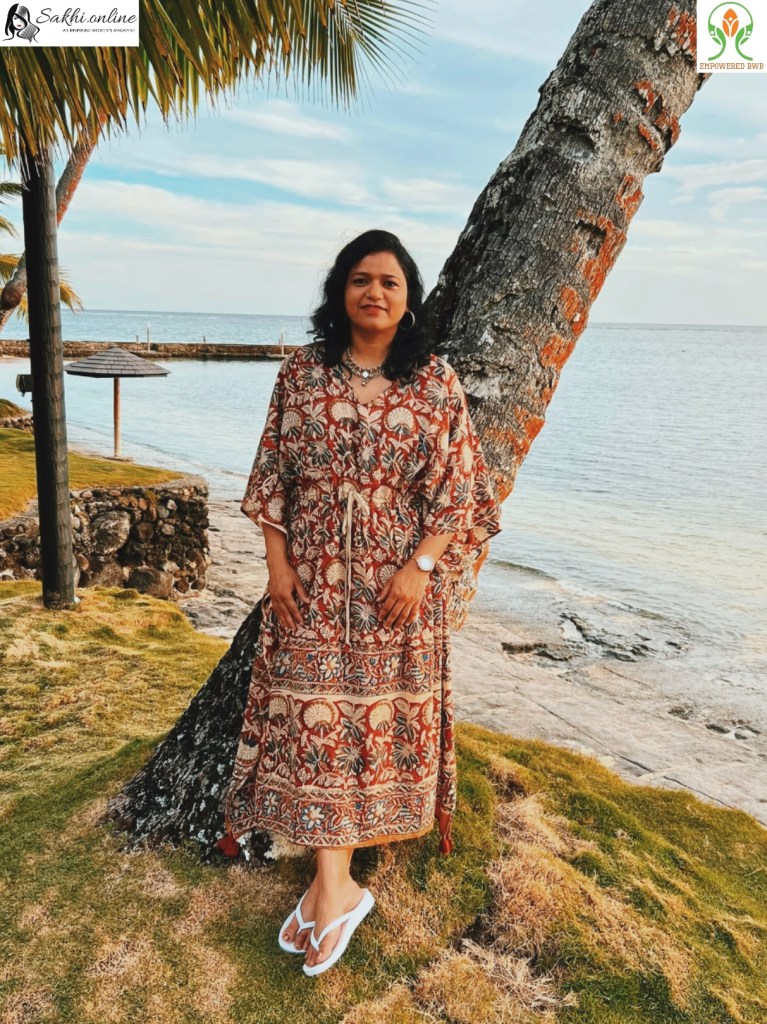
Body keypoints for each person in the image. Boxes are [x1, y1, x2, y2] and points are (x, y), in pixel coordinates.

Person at [219, 229, 502, 975]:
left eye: (389, 282)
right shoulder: (301, 374)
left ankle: (331, 889)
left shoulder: (435, 381)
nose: (373, 292)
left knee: (366, 729)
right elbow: (273, 473)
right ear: (339, 291)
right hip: (310, 585)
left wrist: (420, 568)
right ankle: (334, 888)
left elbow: (461, 492)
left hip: (394, 595)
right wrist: (277, 566)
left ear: (409, 300)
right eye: (360, 279)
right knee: (316, 726)